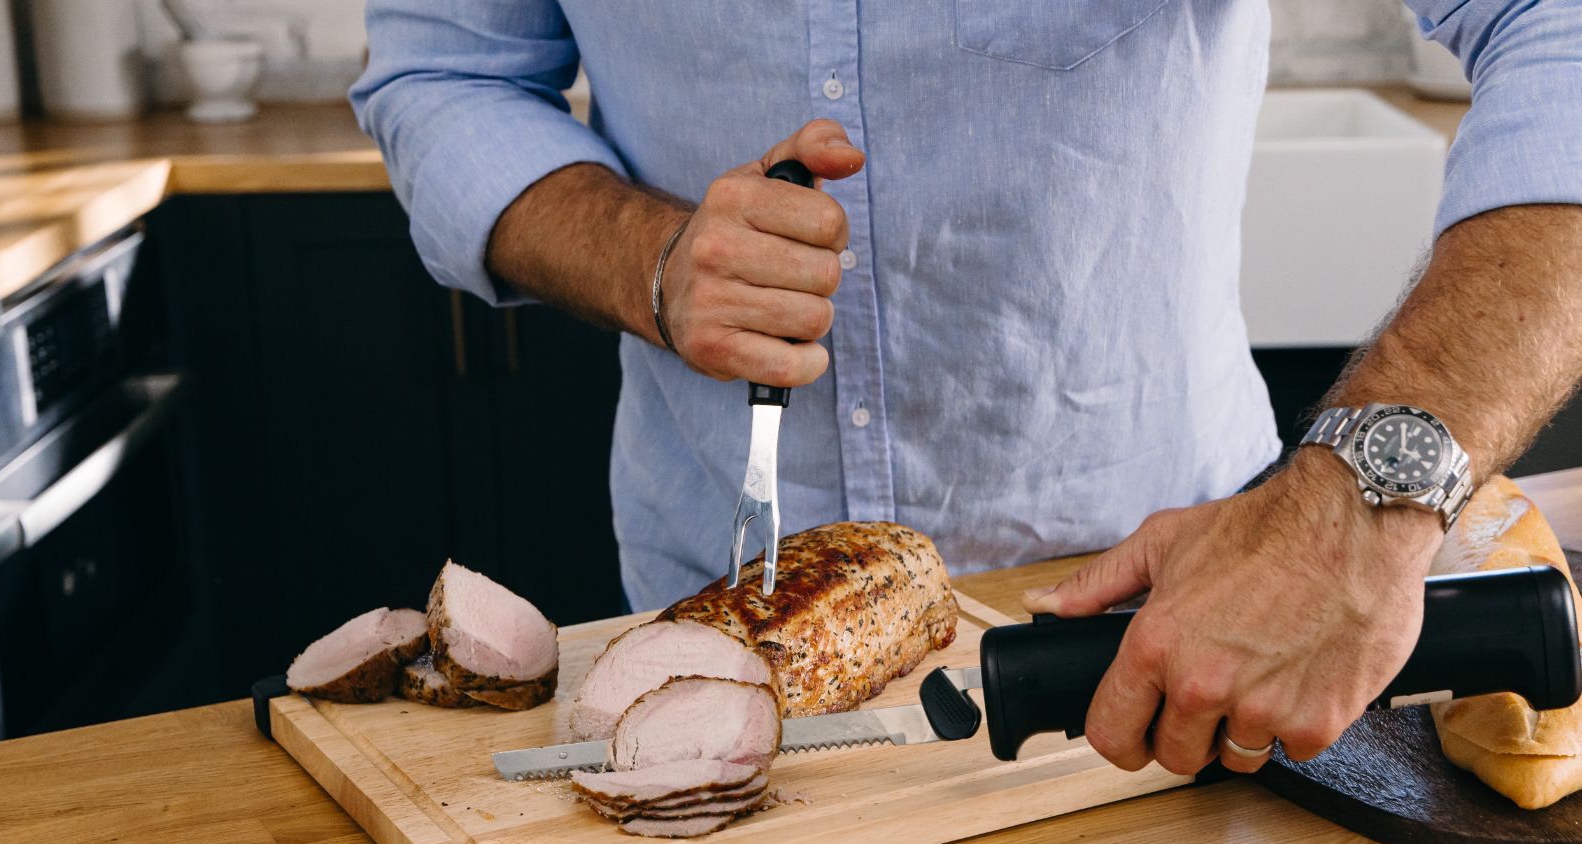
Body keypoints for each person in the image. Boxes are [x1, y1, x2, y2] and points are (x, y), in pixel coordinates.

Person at [351, 2, 1582, 777]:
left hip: (1190, 636)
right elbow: (444, 75)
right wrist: (650, 259)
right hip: (706, 603)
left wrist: (1355, 514)